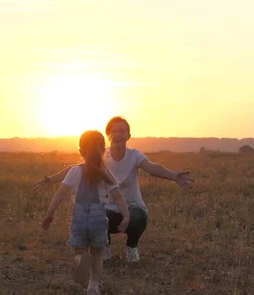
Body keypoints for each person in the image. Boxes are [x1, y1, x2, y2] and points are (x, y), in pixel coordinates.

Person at [35, 116, 194, 262]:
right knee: (97, 214)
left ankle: (132, 247)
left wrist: (174, 176)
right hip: (106, 209)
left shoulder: (134, 155)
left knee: (138, 217)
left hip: (132, 207)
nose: (118, 134)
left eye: (122, 131)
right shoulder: (103, 156)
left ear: (128, 136)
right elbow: (76, 168)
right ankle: (105, 246)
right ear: (108, 135)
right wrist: (51, 179)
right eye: (113, 131)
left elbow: (152, 168)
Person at [42, 130, 130, 295]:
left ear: (81, 151)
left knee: (79, 251)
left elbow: (61, 193)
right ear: (104, 150)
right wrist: (126, 215)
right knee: (97, 255)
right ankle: (93, 287)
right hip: (98, 217)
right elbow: (118, 196)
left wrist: (49, 213)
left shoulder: (75, 171)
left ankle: (80, 259)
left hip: (79, 216)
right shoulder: (106, 173)